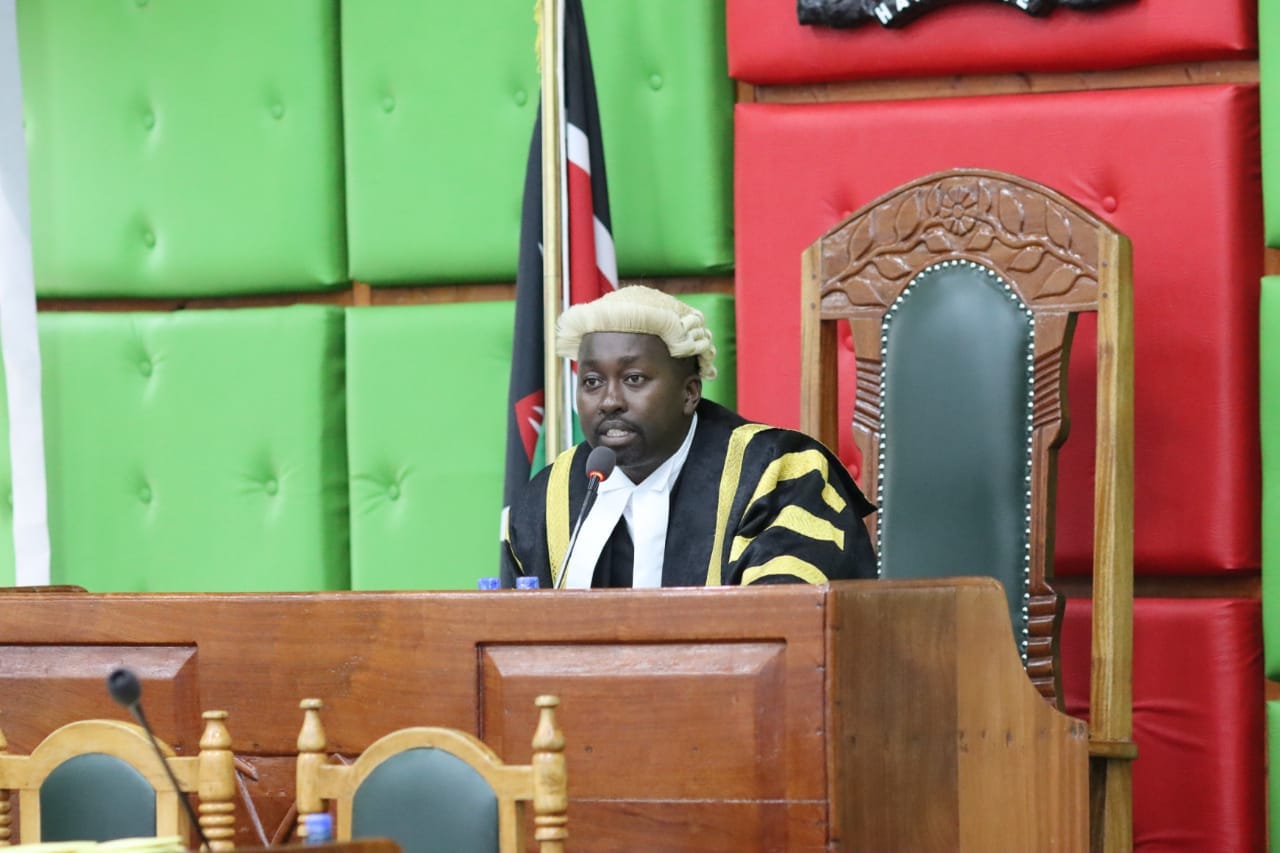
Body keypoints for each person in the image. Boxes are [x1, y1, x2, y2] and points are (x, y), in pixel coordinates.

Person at [500, 285, 877, 588]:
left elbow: (788, 632)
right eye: (592, 382)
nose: (609, 402)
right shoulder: (546, 502)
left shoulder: (778, 476)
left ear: (690, 393)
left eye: (634, 379)